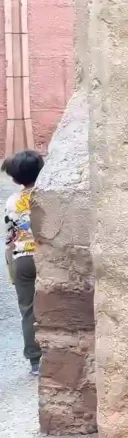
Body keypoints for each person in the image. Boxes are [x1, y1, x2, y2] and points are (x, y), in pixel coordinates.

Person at [3, 149, 44, 376]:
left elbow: (9, 238)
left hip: (22, 258)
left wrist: (11, 268)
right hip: (45, 256)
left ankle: (35, 360)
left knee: (28, 309)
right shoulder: (47, 195)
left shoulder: (12, 201)